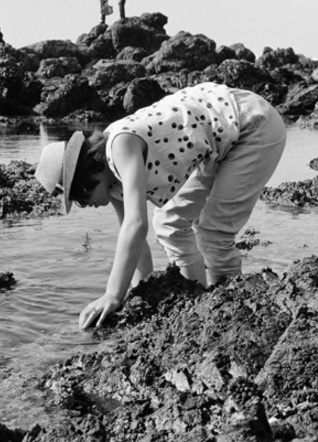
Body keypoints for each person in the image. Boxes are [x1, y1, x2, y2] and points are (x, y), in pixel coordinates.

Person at [34, 82, 286, 330]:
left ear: (87, 178)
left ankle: (233, 313)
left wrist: (112, 294)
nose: (85, 205)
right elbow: (134, 241)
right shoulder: (112, 184)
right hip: (216, 138)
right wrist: (138, 296)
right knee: (169, 224)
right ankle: (197, 304)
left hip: (251, 125)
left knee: (214, 233)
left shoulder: (121, 146)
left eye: (80, 198)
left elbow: (136, 225)